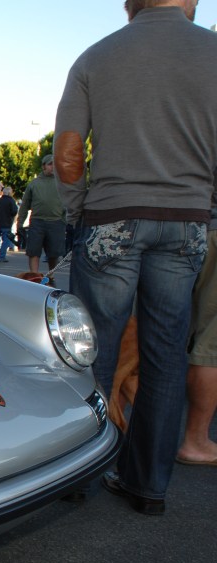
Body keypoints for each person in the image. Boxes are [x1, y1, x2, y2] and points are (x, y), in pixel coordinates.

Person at [54, 0, 217, 515]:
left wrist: (78, 209)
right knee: (166, 353)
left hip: (112, 218)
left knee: (93, 351)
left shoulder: (97, 56)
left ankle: (82, 475)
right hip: (188, 221)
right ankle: (148, 486)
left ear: (131, 4)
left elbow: (69, 148)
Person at [177, 199, 217, 467]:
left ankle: (114, 433)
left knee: (150, 333)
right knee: (210, 344)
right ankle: (196, 441)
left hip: (181, 222)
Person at [16, 154, 67, 278]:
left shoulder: (62, 184)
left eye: (55, 164)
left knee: (53, 253)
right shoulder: (34, 184)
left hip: (56, 222)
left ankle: (50, 276)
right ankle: (35, 276)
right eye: (50, 164)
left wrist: (66, 221)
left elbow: (68, 203)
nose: (53, 167)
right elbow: (24, 205)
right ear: (44, 166)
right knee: (34, 252)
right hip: (37, 222)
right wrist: (20, 223)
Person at [0, 186, 19, 262]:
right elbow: (14, 211)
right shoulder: (11, 201)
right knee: (6, 240)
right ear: (10, 193)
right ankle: (2, 256)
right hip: (6, 223)